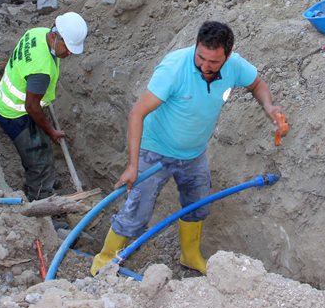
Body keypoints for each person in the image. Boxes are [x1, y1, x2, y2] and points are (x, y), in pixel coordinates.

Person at [90, 21, 285, 276]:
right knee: (138, 211)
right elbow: (137, 113)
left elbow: (257, 84)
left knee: (198, 206)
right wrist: (133, 165)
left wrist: (269, 107)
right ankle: (104, 261)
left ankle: (190, 256)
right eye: (200, 57)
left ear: (227, 55)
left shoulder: (235, 66)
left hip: (194, 155)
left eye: (213, 62)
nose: (205, 66)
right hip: (155, 151)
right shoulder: (174, 68)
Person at [0, 12, 88, 201]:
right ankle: (40, 201)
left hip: (9, 101)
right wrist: (51, 130)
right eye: (67, 48)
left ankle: (44, 180)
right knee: (39, 162)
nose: (69, 53)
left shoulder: (37, 33)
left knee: (40, 147)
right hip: (16, 114)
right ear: (55, 36)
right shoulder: (41, 70)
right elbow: (32, 106)